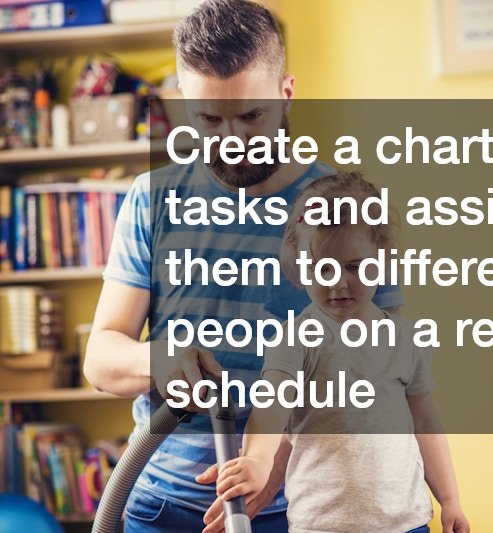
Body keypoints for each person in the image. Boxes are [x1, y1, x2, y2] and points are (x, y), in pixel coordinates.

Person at [82, 1, 402, 532]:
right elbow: (100, 357)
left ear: (286, 94)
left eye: (252, 115)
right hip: (161, 506)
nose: (232, 140)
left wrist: (271, 460)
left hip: (302, 508)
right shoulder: (151, 199)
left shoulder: (349, 209)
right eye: (209, 119)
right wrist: (156, 361)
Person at [214, 172, 470, 533]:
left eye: (353, 267)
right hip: (320, 524)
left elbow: (426, 424)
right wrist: (257, 458)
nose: (338, 282)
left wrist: (451, 501)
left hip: (405, 523)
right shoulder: (296, 338)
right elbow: (271, 405)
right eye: (322, 269)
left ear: (381, 261)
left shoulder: (406, 338)